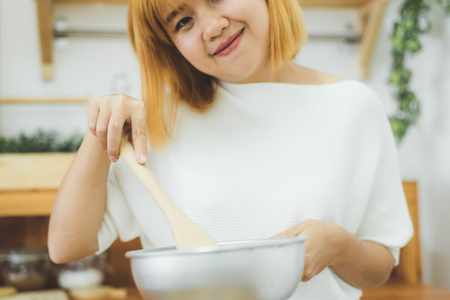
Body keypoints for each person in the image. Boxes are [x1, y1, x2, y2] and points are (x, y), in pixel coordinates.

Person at [48, 0, 414, 299]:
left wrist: (339, 246)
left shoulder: (355, 107)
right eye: (183, 21)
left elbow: (381, 264)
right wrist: (100, 133)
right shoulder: (155, 126)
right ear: (168, 46)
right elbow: (67, 246)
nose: (212, 26)